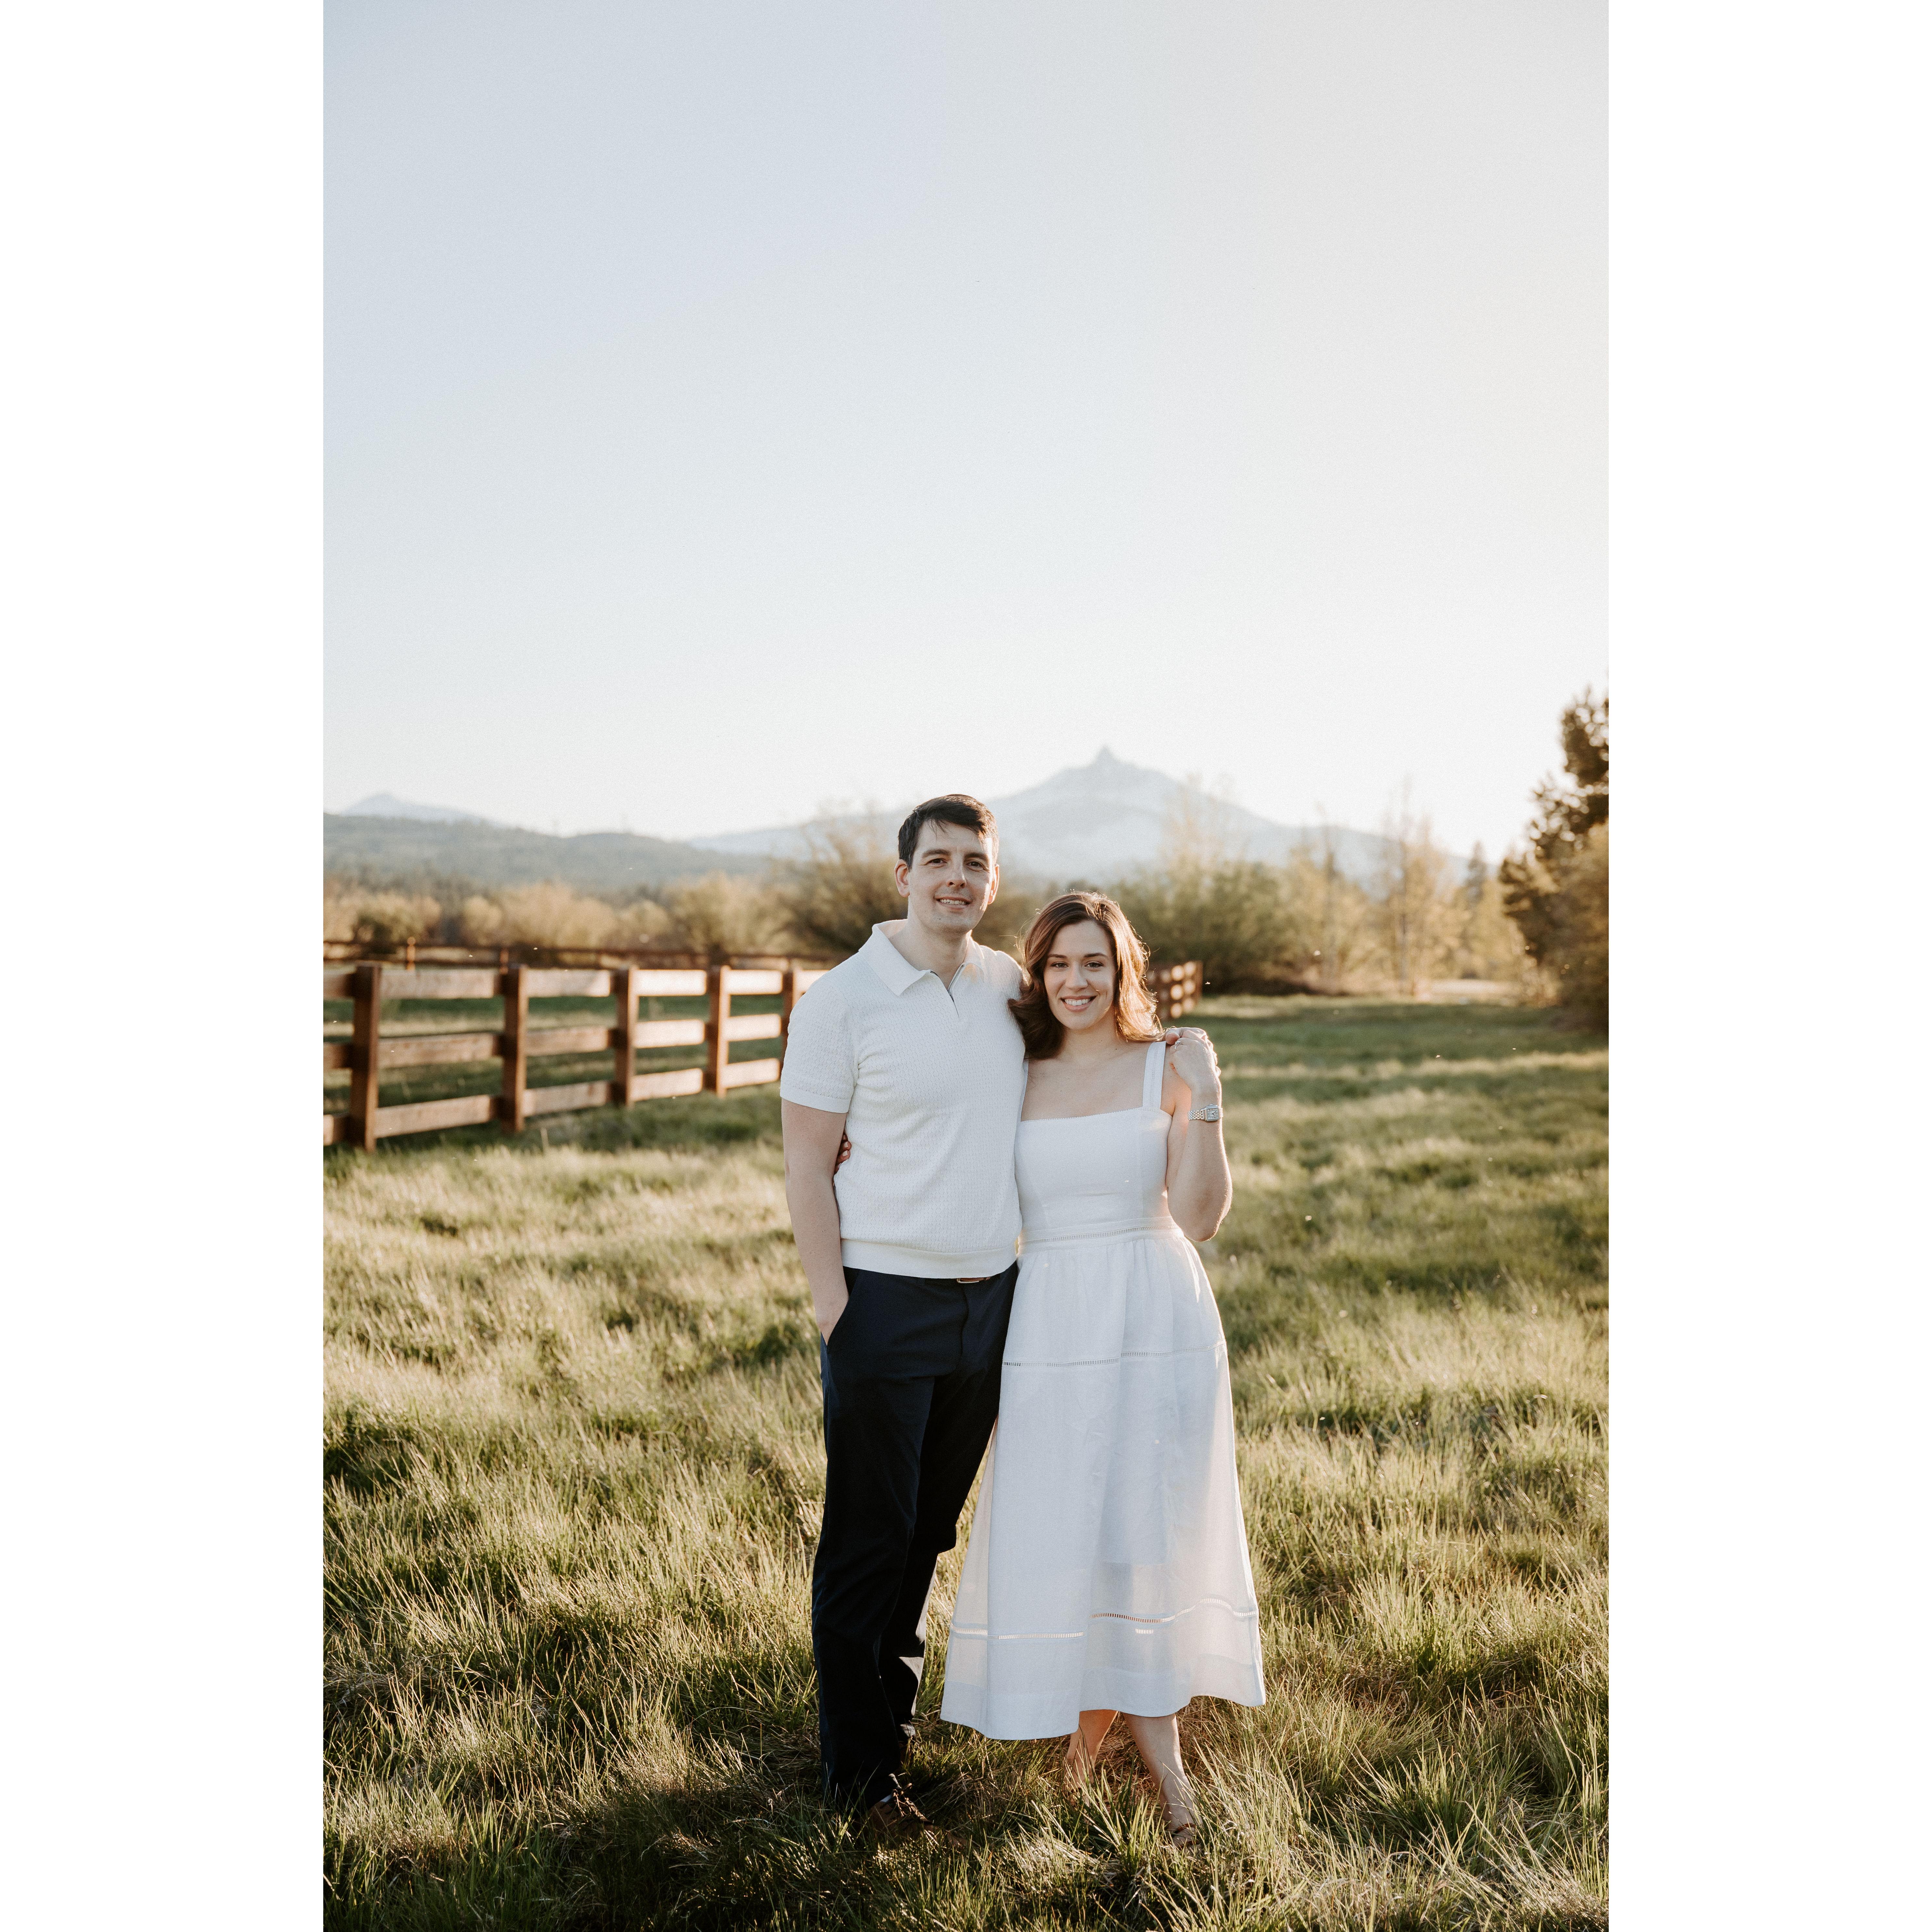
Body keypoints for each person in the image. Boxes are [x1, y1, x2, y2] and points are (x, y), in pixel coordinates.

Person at [937, 890, 1266, 1846]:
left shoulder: (1165, 1064)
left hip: (1154, 1311)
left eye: (1093, 963)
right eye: (1057, 965)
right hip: (1048, 1317)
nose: (1075, 982)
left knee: (1140, 1533)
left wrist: (1206, 1096)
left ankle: (1166, 1773)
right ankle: (1084, 1746)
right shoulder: (1012, 1069)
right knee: (1066, 1526)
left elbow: (1200, 1216)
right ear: (1036, 974)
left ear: (1122, 970)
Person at [778, 793, 1026, 1837]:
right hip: (882, 1300)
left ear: (992, 880)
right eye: (938, 860)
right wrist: (836, 1309)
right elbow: (805, 1163)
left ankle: (892, 1733)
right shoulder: (841, 1000)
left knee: (926, 1533)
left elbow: (1093, 1040)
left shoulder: (1010, 985)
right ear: (903, 876)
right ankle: (861, 1778)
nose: (956, 878)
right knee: (869, 1541)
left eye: (975, 862)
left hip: (992, 1301)